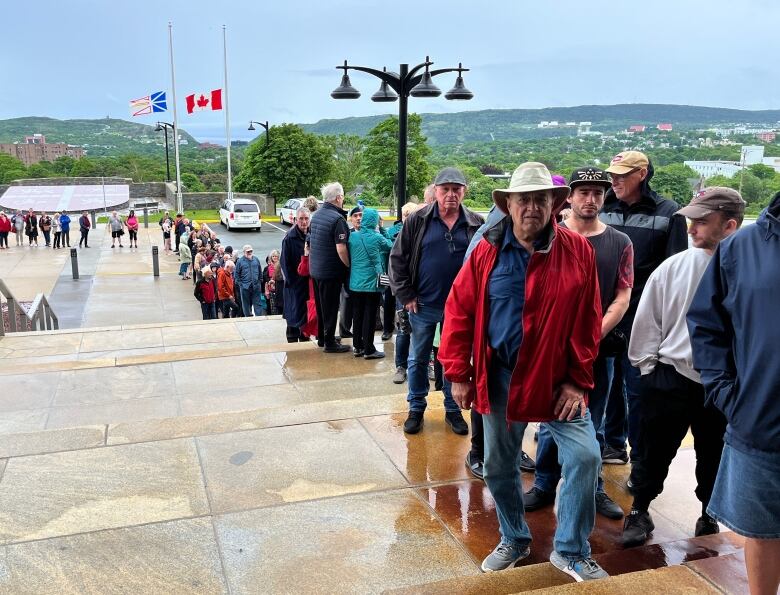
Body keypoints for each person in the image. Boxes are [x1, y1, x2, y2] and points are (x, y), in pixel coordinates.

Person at [438, 162, 606, 580]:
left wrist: (577, 380)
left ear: (553, 205)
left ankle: (569, 549)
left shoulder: (577, 251)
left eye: (540, 199)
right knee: (498, 464)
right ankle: (514, 537)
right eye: (524, 200)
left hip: (556, 378)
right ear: (508, 205)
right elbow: (459, 311)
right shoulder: (485, 251)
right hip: (501, 376)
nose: (532, 207)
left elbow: (589, 320)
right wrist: (458, 372)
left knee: (586, 457)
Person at [620, 186, 745, 548]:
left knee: (715, 455)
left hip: (723, 384)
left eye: (702, 222)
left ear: (730, 225)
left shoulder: (747, 273)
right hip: (670, 377)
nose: (691, 229)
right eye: (691, 221)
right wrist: (649, 371)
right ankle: (639, 510)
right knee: (652, 450)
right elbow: (647, 323)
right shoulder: (673, 268)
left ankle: (709, 514)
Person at [525, 167, 632, 521]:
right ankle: (543, 482)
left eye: (598, 193)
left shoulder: (619, 243)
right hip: (553, 350)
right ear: (569, 196)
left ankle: (593, 487)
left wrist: (591, 335)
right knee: (551, 419)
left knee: (594, 419)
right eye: (583, 192)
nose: (591, 200)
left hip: (600, 350)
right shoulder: (548, 236)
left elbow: (622, 295)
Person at [687, 190, 780, 595]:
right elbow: (707, 325)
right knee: (761, 533)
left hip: (754, 416)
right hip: (758, 422)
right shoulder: (743, 246)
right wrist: (727, 393)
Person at [599, 151, 688, 467]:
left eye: (622, 174)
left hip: (644, 320)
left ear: (642, 173)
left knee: (639, 392)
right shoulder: (603, 207)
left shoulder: (670, 213)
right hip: (605, 316)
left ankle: (641, 458)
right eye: (612, 174)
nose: (614, 180)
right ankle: (612, 444)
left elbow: (677, 272)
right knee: (606, 387)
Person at [389, 167, 484, 435]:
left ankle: (453, 410)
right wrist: (405, 294)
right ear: (436, 191)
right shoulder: (418, 220)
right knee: (418, 358)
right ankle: (416, 407)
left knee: (454, 359)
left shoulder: (476, 223)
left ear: (464, 191)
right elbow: (397, 258)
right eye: (446, 189)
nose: (451, 194)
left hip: (461, 309)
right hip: (424, 305)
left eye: (457, 189)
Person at [309, 182, 351, 354]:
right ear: (339, 198)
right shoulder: (338, 219)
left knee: (321, 307)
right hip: (330, 271)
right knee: (331, 307)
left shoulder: (317, 215)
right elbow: (341, 248)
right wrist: (349, 265)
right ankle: (330, 343)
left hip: (316, 269)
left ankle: (323, 337)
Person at [348, 208, 394, 359]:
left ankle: (357, 347)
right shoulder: (377, 237)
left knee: (357, 314)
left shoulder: (352, 236)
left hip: (355, 283)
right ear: (374, 221)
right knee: (370, 315)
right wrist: (381, 229)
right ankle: (369, 349)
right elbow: (391, 246)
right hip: (372, 284)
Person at [391, 202, 421, 384]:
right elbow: (395, 266)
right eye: (406, 216)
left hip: (423, 294)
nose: (409, 219)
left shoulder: (422, 235)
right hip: (405, 294)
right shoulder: (399, 236)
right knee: (404, 331)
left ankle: (424, 366)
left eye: (412, 215)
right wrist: (405, 294)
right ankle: (401, 366)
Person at [280, 207, 311, 342]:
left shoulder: (311, 234)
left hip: (307, 283)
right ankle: (292, 341)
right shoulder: (289, 238)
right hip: (294, 284)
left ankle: (305, 338)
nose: (304, 222)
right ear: (295, 220)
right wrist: (293, 282)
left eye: (306, 219)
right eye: (301, 219)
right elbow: (285, 263)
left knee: (305, 316)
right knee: (293, 315)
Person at [338, 206, 363, 340]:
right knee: (347, 304)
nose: (359, 218)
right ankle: (345, 330)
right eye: (355, 216)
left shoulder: (369, 233)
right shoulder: (347, 234)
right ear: (351, 219)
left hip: (363, 277)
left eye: (360, 215)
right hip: (349, 274)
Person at [234, 244, 264, 316]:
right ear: (244, 252)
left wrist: (259, 281)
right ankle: (248, 317)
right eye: (248, 251)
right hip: (245, 287)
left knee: (258, 303)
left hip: (256, 286)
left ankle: (259, 317)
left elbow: (260, 271)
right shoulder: (240, 261)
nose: (249, 252)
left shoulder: (256, 259)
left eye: (251, 251)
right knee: (246, 304)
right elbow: (236, 274)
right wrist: (241, 285)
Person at [264, 250, 284, 315]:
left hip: (279, 287)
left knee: (280, 304)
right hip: (271, 288)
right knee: (273, 305)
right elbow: (265, 277)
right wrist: (269, 281)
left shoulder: (281, 265)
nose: (275, 258)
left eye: (276, 256)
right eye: (273, 256)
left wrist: (274, 281)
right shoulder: (268, 267)